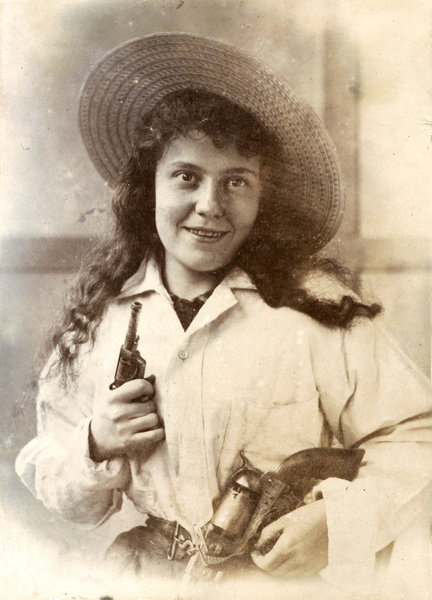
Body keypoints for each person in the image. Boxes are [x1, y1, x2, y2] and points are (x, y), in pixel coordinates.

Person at [15, 33, 432, 596]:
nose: (210, 205)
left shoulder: (316, 309)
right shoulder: (105, 316)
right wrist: (96, 441)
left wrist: (339, 522)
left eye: (237, 181)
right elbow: (71, 499)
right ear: (149, 189)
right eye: (186, 176)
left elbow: (416, 434)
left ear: (265, 200)